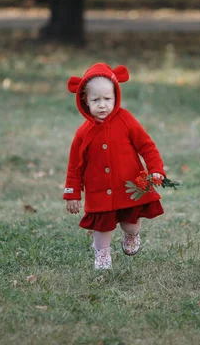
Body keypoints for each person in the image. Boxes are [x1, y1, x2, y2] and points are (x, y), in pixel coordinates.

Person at [63, 63, 166, 270]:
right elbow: (74, 165)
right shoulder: (83, 133)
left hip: (129, 186)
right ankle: (102, 255)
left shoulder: (126, 120)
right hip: (98, 190)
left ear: (116, 96)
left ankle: (132, 234)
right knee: (102, 225)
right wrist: (72, 193)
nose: (102, 105)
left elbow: (147, 146)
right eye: (96, 100)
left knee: (130, 222)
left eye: (107, 99)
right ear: (85, 101)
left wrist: (155, 169)